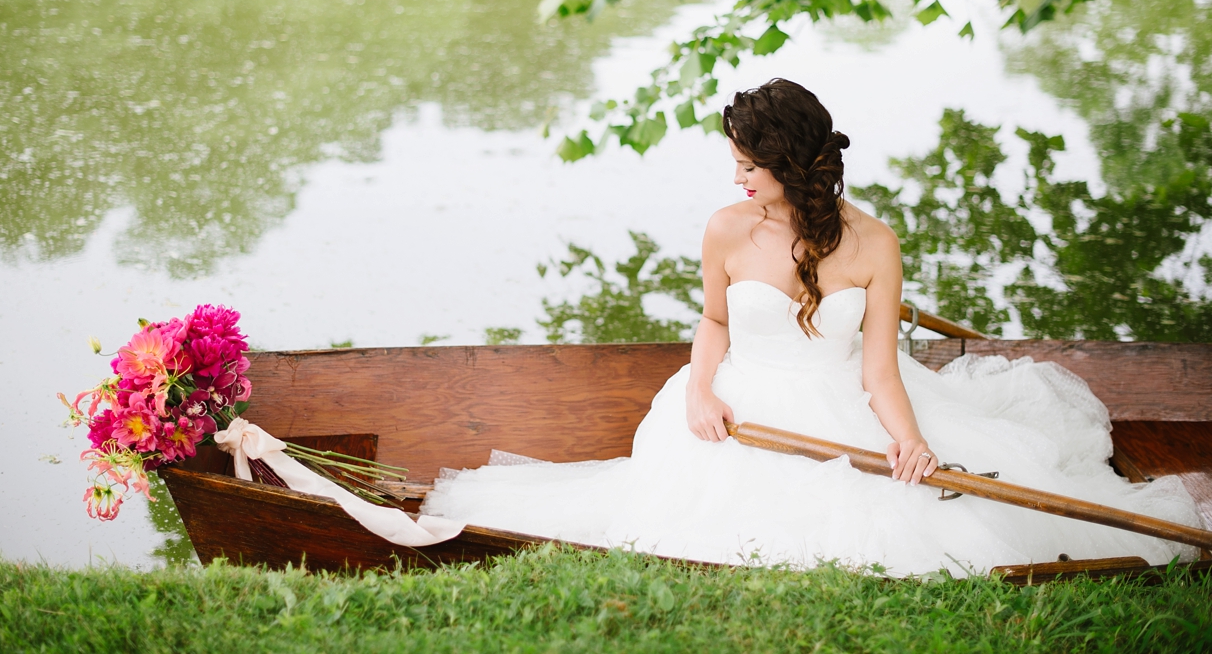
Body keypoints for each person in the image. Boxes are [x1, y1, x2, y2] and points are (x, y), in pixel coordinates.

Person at [422, 79, 1204, 576]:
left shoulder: (876, 243)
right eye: (734, 163)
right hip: (735, 408)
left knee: (938, 515)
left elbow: (878, 369)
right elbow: (714, 320)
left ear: (790, 165)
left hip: (843, 404)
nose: (734, 178)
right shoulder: (727, 229)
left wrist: (905, 438)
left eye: (747, 166)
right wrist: (699, 390)